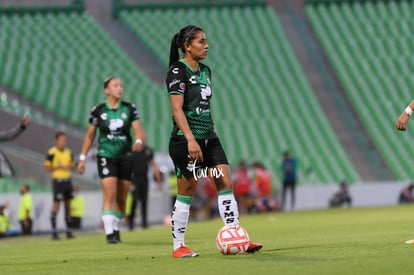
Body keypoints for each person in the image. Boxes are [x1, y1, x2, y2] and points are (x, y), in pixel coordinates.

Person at [166, 24, 262, 258]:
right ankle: (178, 247)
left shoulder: (206, 71)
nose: (206, 45)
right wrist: (190, 139)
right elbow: (177, 110)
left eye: (206, 41)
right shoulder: (178, 71)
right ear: (187, 46)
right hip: (186, 141)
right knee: (187, 189)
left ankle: (236, 235)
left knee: (225, 181)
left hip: (210, 138)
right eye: (201, 42)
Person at [77, 77, 144, 244]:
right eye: (115, 85)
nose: (119, 88)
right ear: (107, 90)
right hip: (106, 155)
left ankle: (116, 226)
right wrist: (82, 158)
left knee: (122, 198)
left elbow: (137, 130)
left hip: (126, 156)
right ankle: (110, 234)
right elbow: (90, 136)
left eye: (121, 85)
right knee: (110, 194)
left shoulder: (129, 108)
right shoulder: (98, 111)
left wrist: (138, 141)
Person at [44, 132, 75, 240]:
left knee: (68, 206)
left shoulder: (69, 152)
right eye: (61, 140)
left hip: (67, 181)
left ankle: (68, 231)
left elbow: (72, 165)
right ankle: (54, 232)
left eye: (64, 140)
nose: (63, 142)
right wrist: (57, 167)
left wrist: (67, 166)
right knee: (56, 206)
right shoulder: (52, 152)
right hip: (58, 181)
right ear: (56, 141)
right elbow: (46, 167)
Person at [127, 144, 162, 230]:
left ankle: (144, 223)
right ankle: (130, 224)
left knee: (144, 201)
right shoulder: (132, 149)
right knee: (134, 201)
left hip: (144, 178)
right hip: (134, 178)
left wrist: (159, 180)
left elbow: (153, 165)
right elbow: (127, 166)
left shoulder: (148, 150)